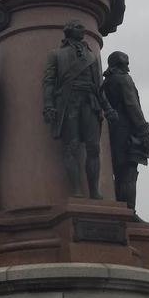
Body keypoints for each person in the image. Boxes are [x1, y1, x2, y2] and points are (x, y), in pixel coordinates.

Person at [42, 19, 117, 198]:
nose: (83, 30)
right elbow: (49, 81)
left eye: (83, 27)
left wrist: (108, 108)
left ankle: (94, 192)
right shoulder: (56, 54)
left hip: (90, 101)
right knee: (71, 147)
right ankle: (76, 190)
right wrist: (48, 105)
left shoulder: (91, 56)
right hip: (69, 101)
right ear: (68, 30)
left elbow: (99, 85)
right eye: (78, 27)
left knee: (93, 147)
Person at [102, 51, 149, 216]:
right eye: (126, 62)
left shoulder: (107, 82)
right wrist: (144, 131)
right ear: (118, 63)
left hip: (113, 130)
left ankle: (120, 210)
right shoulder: (123, 79)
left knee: (119, 172)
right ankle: (129, 212)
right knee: (129, 172)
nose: (128, 66)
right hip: (127, 130)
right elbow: (132, 105)